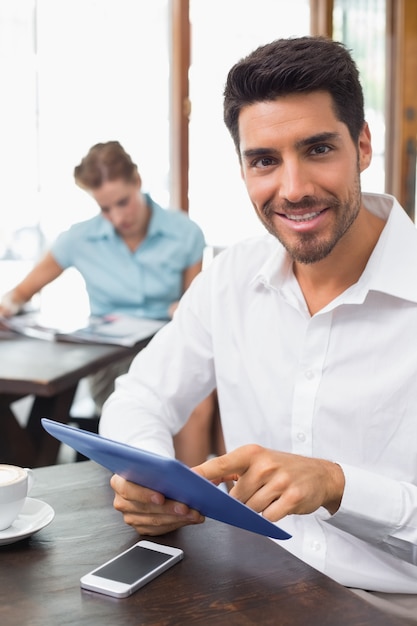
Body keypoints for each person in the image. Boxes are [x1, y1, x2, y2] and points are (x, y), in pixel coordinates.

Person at [99, 37, 417, 621]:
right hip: (247, 586)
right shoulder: (231, 279)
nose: (292, 188)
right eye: (264, 160)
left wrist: (339, 484)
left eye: (318, 148)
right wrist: (147, 475)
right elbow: (139, 397)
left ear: (363, 145)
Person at [0, 141, 221, 466]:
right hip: (110, 360)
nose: (117, 217)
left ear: (138, 182)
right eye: (105, 208)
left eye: (123, 202)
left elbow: (194, 307)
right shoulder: (78, 238)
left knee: (197, 401)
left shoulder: (186, 232)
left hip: (167, 347)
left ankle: (191, 504)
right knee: (140, 408)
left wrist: (182, 306)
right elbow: (19, 294)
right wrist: (7, 305)